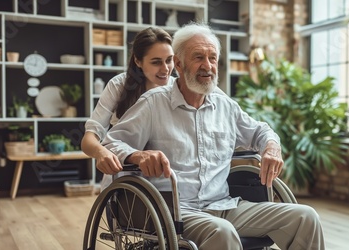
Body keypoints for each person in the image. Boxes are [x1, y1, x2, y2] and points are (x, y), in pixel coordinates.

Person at [102, 22, 325, 250]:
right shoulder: (153, 103)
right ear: (178, 63)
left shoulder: (225, 106)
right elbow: (110, 143)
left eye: (213, 58)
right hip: (174, 211)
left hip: (225, 206)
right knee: (222, 232)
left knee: (305, 217)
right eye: (198, 57)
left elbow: (262, 130)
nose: (207, 65)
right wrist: (138, 155)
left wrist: (271, 148)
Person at [81, 27, 175, 189]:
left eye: (169, 60)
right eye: (156, 62)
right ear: (138, 61)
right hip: (126, 177)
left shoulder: (178, 89)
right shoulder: (119, 86)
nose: (165, 69)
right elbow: (89, 140)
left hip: (166, 178)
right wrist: (102, 152)